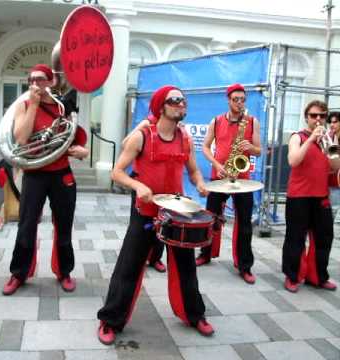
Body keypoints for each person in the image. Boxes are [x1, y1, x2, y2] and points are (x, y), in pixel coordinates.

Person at [97, 85, 214, 346]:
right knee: (128, 268)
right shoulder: (142, 136)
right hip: (146, 213)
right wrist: (138, 186)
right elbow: (116, 172)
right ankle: (110, 319)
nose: (181, 104)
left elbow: (193, 170)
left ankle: (195, 315)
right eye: (175, 101)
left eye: (184, 100)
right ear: (161, 106)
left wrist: (200, 183)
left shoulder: (185, 137)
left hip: (176, 212)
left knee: (186, 269)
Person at [3, 64, 89, 295]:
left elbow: (70, 137)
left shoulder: (63, 107)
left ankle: (64, 271)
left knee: (64, 224)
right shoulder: (23, 105)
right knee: (27, 225)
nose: (35, 84)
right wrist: (33, 104)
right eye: (31, 79)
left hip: (61, 173)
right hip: (35, 173)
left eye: (40, 79)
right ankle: (18, 273)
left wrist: (83, 152)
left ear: (51, 82)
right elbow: (21, 139)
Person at [196, 83, 261, 285]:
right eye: (236, 99)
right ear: (228, 100)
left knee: (244, 225)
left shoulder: (252, 121)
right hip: (220, 177)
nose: (240, 103)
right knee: (210, 219)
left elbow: (259, 151)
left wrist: (251, 147)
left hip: (242, 180)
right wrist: (216, 164)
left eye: (242, 99)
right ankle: (205, 254)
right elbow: (205, 147)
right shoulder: (215, 121)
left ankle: (244, 266)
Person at [282, 100, 337, 293]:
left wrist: (334, 147)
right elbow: (293, 161)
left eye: (322, 116)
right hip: (299, 196)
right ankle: (293, 276)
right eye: (314, 115)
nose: (318, 119)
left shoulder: (328, 139)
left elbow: (334, 168)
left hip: (320, 196)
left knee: (324, 238)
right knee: (295, 238)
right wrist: (312, 139)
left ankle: (318, 277)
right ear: (307, 117)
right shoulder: (298, 137)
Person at [122, 114, 166, 273]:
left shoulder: (173, 127)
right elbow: (125, 143)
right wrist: (143, 126)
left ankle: (156, 258)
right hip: (142, 181)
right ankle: (137, 256)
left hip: (163, 182)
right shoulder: (146, 122)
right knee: (139, 223)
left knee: (162, 221)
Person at [327, 111, 340, 222]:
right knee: (329, 212)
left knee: (333, 210)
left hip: (337, 182)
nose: (332, 125)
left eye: (335, 122)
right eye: (330, 122)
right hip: (329, 180)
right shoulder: (328, 138)